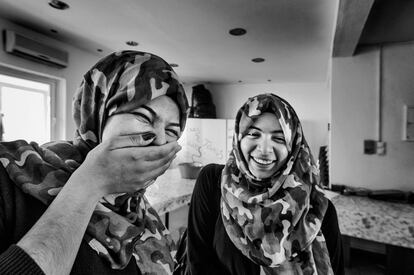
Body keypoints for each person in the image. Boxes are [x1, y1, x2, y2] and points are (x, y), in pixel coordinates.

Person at [0, 50, 188, 274]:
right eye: (144, 117)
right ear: (96, 114)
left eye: (171, 130)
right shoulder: (8, 179)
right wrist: (91, 182)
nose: (159, 140)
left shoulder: (142, 214)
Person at [187, 93, 344, 275]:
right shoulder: (213, 182)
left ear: (293, 147)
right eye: (254, 134)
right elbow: (198, 263)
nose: (264, 150)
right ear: (239, 138)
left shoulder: (318, 208)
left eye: (279, 138)